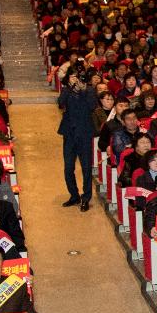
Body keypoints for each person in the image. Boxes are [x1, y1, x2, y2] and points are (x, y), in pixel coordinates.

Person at [57, 63, 96, 211]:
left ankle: (86, 198)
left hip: (85, 133)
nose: (77, 79)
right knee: (68, 168)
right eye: (73, 76)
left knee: (86, 168)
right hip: (69, 133)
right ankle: (74, 195)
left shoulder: (90, 90)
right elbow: (60, 104)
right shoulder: (66, 90)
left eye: (78, 76)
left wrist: (84, 90)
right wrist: (70, 88)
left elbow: (92, 106)